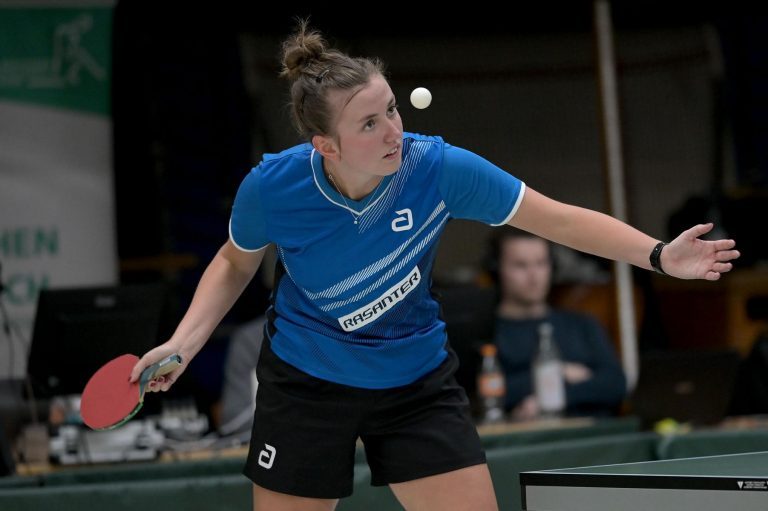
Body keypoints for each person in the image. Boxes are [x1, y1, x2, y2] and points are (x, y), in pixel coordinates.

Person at [128, 20, 740, 511]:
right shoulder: (273, 188)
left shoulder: (437, 170)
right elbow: (235, 262)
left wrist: (658, 255)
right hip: (307, 379)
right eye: (370, 124)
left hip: (413, 380)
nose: (393, 131)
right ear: (326, 146)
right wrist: (183, 343)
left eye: (392, 110)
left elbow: (556, 219)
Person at [490, 227, 626, 420]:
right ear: (497, 269)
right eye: (520, 265)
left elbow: (615, 384)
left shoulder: (582, 324)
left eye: (541, 263)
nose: (534, 275)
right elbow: (485, 393)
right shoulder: (485, 333)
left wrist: (551, 397)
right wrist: (560, 372)